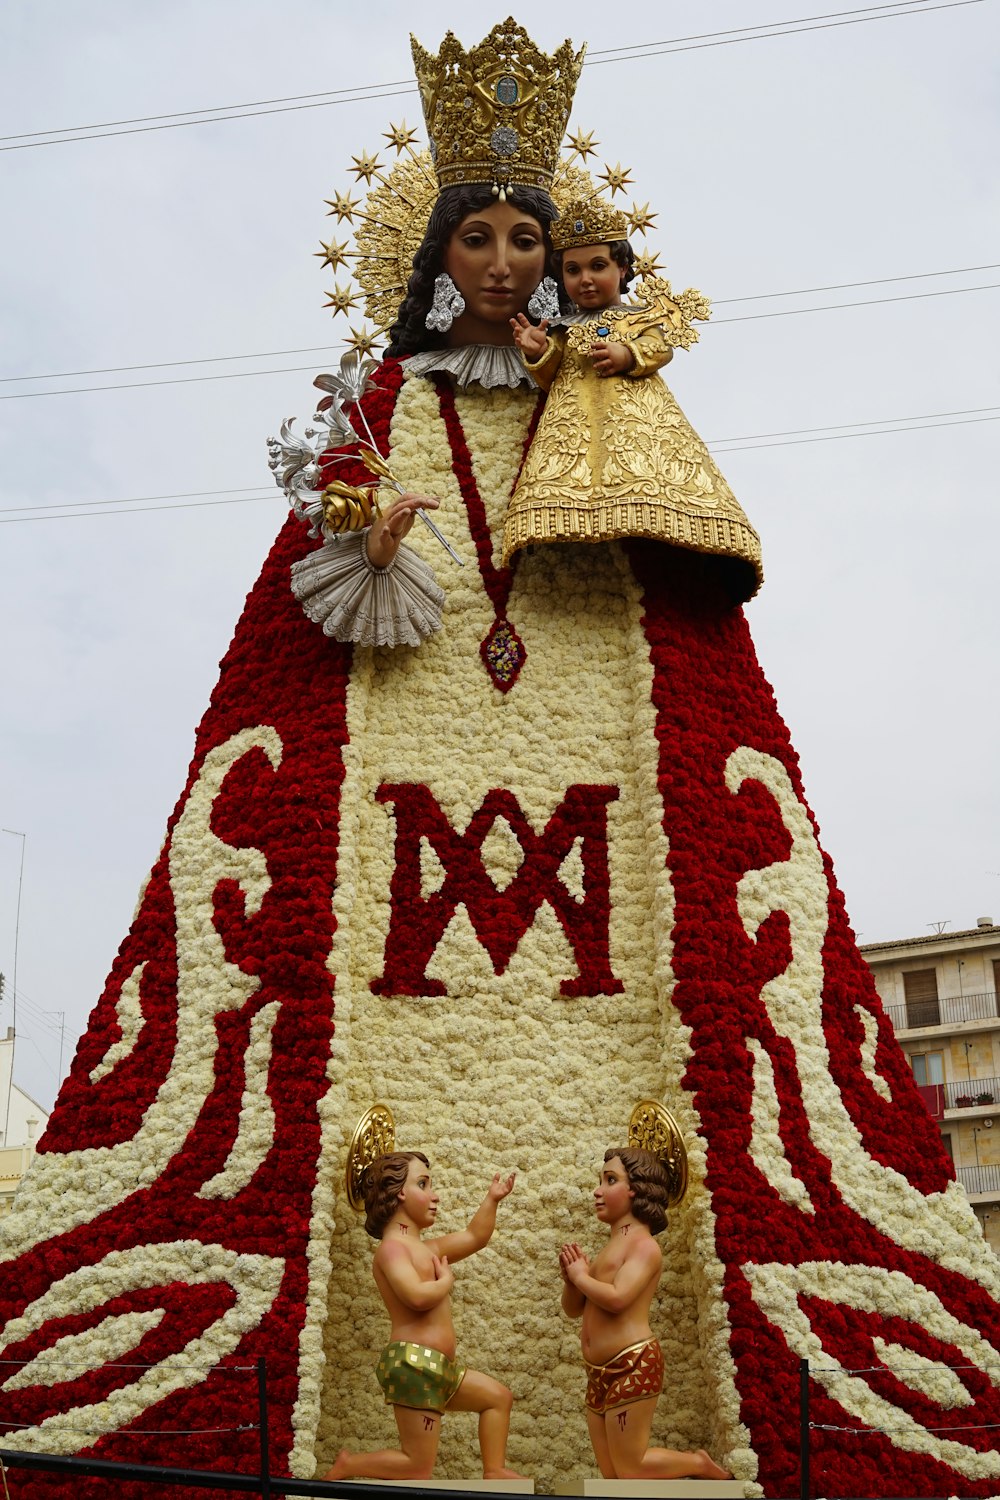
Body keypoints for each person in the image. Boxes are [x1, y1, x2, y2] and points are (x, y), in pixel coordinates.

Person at [502, 192, 761, 596]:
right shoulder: (562, 326)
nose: (585, 279)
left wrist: (628, 354)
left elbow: (660, 348)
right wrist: (539, 353)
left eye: (597, 266)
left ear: (623, 269)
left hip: (637, 419)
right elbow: (556, 374)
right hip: (574, 423)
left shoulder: (637, 317)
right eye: (573, 270)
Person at [323, 1152, 522, 1481]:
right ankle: (350, 1465)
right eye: (424, 1184)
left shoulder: (427, 1249)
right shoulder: (392, 1249)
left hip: (441, 1368)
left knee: (498, 1398)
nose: (435, 1195)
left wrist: (492, 1199)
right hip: (414, 1364)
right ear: (399, 1192)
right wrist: (445, 1282)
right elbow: (415, 1296)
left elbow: (475, 1237)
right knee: (418, 1465)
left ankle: (495, 1469)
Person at [560, 1148, 731, 1482]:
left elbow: (619, 1298)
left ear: (636, 1189)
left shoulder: (644, 1246)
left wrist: (582, 1277)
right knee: (612, 1476)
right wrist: (572, 1280)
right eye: (600, 1180)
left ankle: (698, 1464)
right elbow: (573, 1309)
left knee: (630, 1467)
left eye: (610, 1180)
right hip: (597, 1373)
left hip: (632, 1365)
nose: (597, 1190)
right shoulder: (608, 1249)